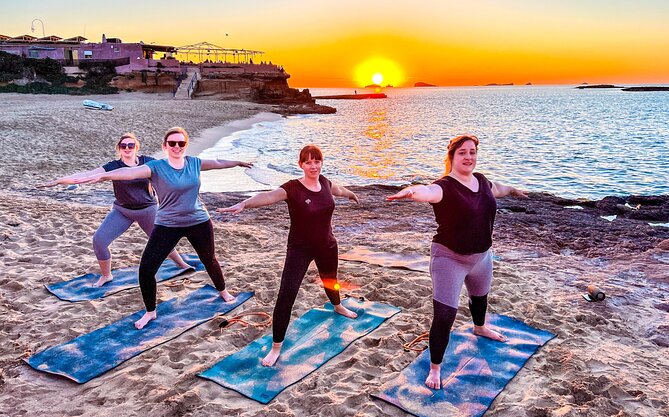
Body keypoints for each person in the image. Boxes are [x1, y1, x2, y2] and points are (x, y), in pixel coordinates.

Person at [75, 127, 252, 329]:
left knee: (209, 259)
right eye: (172, 143)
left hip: (199, 221)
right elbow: (130, 173)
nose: (177, 147)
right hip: (168, 223)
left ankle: (223, 291)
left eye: (181, 143)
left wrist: (238, 162)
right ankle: (150, 312)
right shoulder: (156, 167)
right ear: (165, 146)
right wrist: (103, 176)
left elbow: (219, 163)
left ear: (186, 145)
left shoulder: (194, 163)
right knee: (146, 269)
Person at [387, 134, 527, 389]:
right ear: (452, 156)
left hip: (482, 257)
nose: (469, 157)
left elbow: (500, 189)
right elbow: (427, 192)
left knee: (480, 297)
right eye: (463, 152)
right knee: (444, 315)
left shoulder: (482, 181)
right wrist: (410, 192)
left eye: (472, 152)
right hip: (449, 259)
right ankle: (435, 368)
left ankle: (480, 328)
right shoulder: (445, 186)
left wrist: (515, 190)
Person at [221, 145, 359, 366]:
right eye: (308, 162)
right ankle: (276, 346)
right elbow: (268, 196)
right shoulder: (293, 188)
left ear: (321, 163)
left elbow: (338, 190)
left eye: (317, 161)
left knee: (330, 280)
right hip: (299, 250)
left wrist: (351, 194)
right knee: (287, 294)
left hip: (327, 245)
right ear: (301, 165)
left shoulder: (324, 182)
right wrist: (244, 204)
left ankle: (337, 305)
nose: (313, 166)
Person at [38, 132, 191, 286]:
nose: (127, 148)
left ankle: (182, 264)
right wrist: (58, 181)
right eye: (123, 145)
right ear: (119, 148)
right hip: (122, 211)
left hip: (148, 210)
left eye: (131, 145)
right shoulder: (114, 166)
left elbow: (169, 175)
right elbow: (87, 175)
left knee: (161, 241)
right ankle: (106, 275)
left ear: (136, 147)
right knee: (99, 240)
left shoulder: (148, 162)